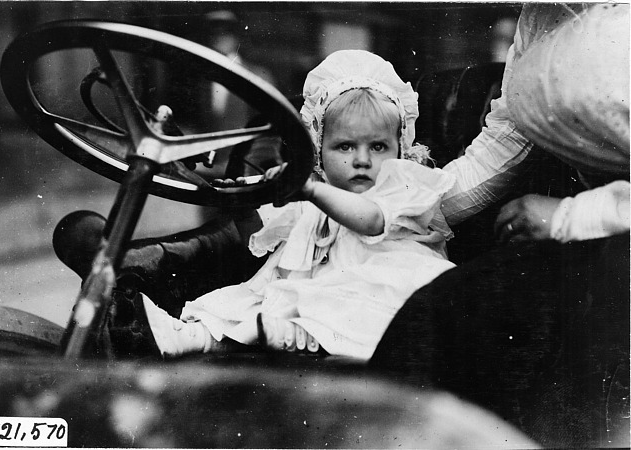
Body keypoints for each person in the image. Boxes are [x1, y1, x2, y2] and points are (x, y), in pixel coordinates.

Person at [370, 3, 629, 447]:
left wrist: (570, 215)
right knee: (436, 315)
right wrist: (395, 211)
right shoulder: (539, 16)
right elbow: (504, 143)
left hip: (614, 242)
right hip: (583, 246)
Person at [114, 50, 457, 360]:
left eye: (378, 147)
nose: (362, 160)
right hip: (315, 287)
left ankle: (302, 336)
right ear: (319, 148)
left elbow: (371, 220)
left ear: (401, 146)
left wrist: (309, 190)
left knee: (358, 306)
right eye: (346, 147)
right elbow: (263, 230)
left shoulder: (405, 182)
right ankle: (189, 336)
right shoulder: (314, 193)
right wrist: (250, 195)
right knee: (255, 299)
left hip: (384, 285)